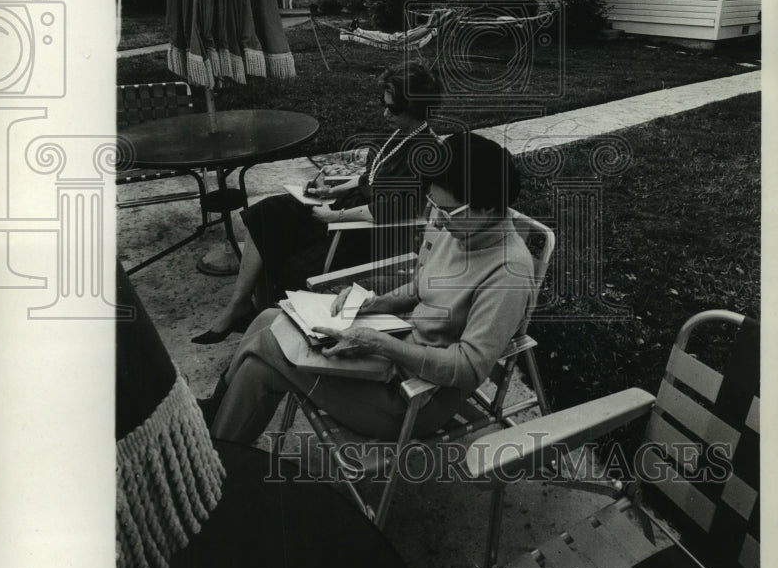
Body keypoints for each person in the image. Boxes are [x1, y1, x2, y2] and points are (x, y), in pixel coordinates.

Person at [204, 132, 536, 444]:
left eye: (448, 211)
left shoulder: (508, 272)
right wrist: (373, 303)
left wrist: (379, 343)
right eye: (434, 207)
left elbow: (468, 368)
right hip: (389, 364)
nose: (437, 220)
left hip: (413, 399)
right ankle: (217, 448)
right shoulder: (463, 231)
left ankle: (212, 448)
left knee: (267, 345)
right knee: (266, 324)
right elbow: (420, 288)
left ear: (488, 207)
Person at [192, 62, 442, 343]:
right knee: (268, 211)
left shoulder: (425, 151)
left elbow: (386, 210)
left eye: (393, 108)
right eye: (383, 104)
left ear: (415, 108)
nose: (385, 113)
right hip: (346, 208)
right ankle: (240, 305)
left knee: (294, 264)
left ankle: (263, 322)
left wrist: (333, 217)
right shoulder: (400, 133)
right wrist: (331, 190)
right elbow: (369, 179)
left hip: (366, 232)